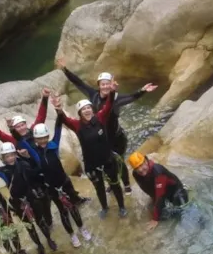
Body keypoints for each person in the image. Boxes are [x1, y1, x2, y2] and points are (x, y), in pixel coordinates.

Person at [58, 60, 157, 192]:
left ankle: (126, 184)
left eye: (107, 84)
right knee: (106, 163)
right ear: (99, 85)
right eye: (102, 84)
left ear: (111, 85)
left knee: (120, 162)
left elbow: (132, 97)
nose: (105, 87)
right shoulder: (93, 95)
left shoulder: (116, 98)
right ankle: (112, 183)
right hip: (102, 138)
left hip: (116, 137)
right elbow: (78, 83)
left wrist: (143, 90)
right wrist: (65, 69)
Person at [0, 91, 90, 206]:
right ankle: (53, 207)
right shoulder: (14, 141)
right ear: (14, 129)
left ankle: (75, 199)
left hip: (46, 163)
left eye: (22, 124)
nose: (21, 128)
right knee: (45, 195)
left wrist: (45, 98)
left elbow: (41, 116)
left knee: (63, 182)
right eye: (18, 126)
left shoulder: (35, 131)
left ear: (26, 124)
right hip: (32, 170)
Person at [54, 92, 127, 219]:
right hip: (92, 165)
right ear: (80, 113)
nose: (87, 111)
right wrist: (59, 109)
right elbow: (64, 119)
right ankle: (104, 207)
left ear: (92, 110)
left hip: (107, 160)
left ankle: (121, 206)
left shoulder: (100, 118)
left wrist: (111, 92)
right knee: (99, 188)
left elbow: (108, 106)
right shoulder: (77, 125)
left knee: (115, 184)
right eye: (83, 109)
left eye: (88, 108)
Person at [0, 139, 57, 254]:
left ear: (15, 154)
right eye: (7, 156)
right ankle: (39, 245)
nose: (10, 158)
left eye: (12, 155)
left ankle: (49, 239)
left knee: (40, 220)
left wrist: (28, 157)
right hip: (17, 201)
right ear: (3, 158)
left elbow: (36, 170)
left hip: (30, 196)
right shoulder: (2, 171)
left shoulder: (23, 163)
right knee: (29, 226)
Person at [28, 118, 92, 248]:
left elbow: (58, 128)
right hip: (52, 188)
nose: (43, 140)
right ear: (35, 139)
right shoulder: (35, 152)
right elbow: (21, 141)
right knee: (63, 211)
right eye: (39, 138)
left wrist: (59, 113)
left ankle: (82, 228)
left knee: (73, 206)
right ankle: (72, 235)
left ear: (48, 136)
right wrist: (13, 129)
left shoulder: (54, 145)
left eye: (45, 137)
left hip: (64, 183)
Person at [128, 151, 189, 230]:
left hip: (176, 191)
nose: (140, 169)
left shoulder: (157, 171)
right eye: (136, 168)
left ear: (146, 161)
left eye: (141, 165)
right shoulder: (136, 174)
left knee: (181, 211)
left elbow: (160, 197)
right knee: (158, 211)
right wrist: (153, 198)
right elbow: (146, 188)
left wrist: (155, 219)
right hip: (163, 190)